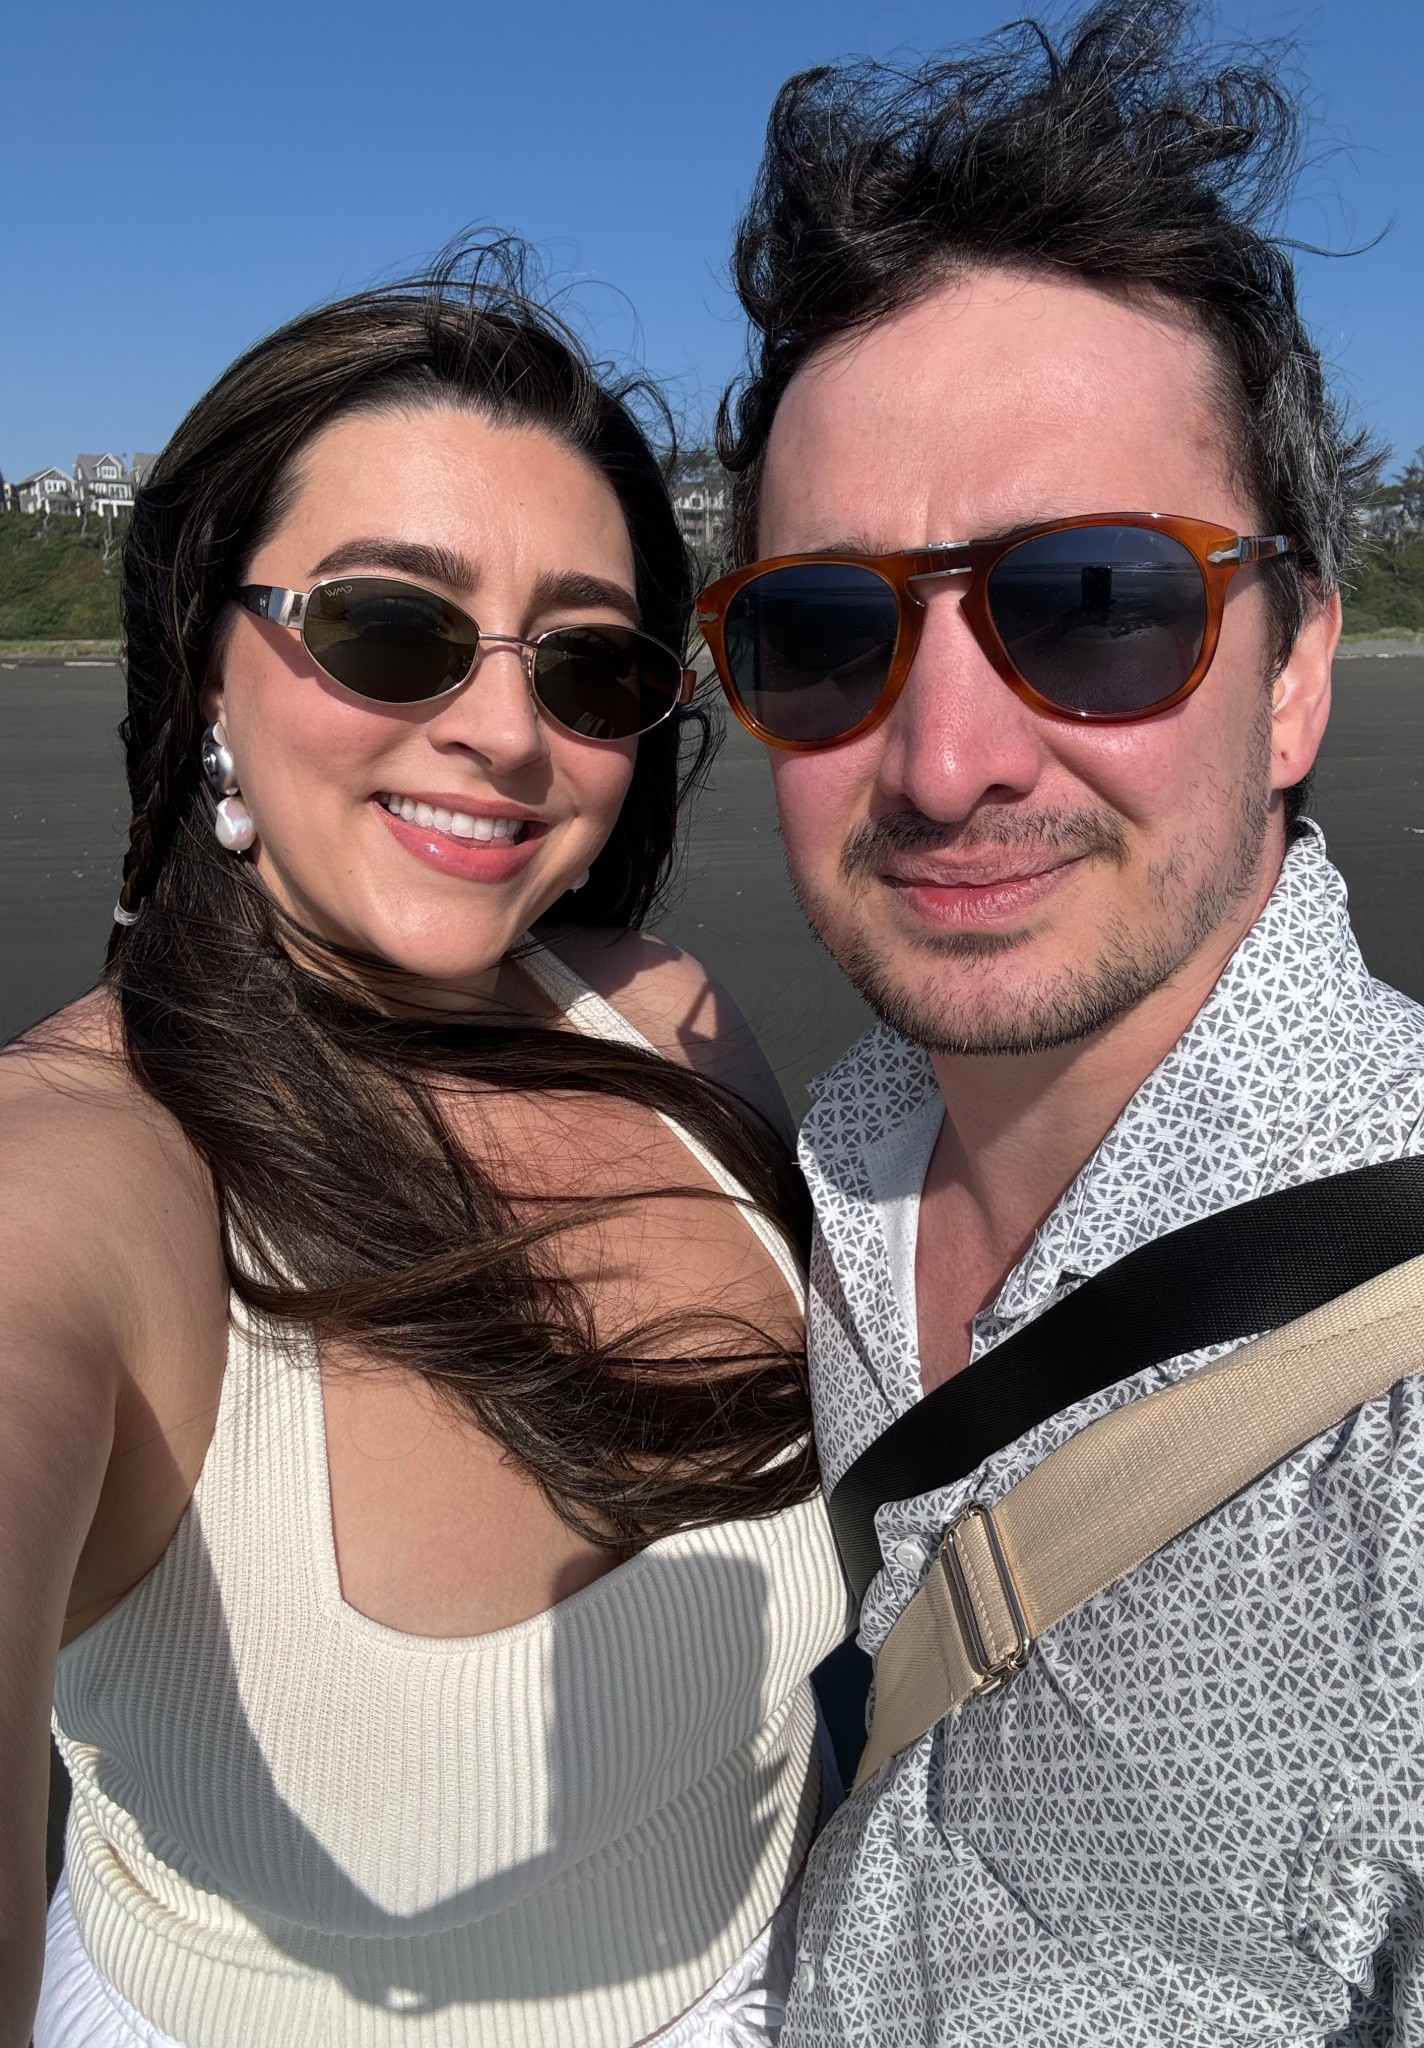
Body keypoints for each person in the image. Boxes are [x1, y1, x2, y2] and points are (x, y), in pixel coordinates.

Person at [698, 7, 1424, 2043]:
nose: (948, 758)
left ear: (1299, 669)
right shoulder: (847, 1142)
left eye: (1091, 602)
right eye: (826, 630)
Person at [0, 244, 849, 2048]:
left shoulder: (670, 1023)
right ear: (205, 663)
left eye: (592, 669)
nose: (501, 727)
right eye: (393, 627)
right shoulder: (87, 1167)